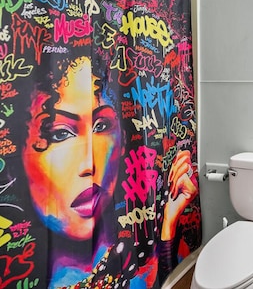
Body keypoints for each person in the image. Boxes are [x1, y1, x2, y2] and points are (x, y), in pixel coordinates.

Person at [11, 50, 198, 288]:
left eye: (101, 126)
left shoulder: (134, 259)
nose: (89, 165)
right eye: (60, 134)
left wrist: (168, 227)